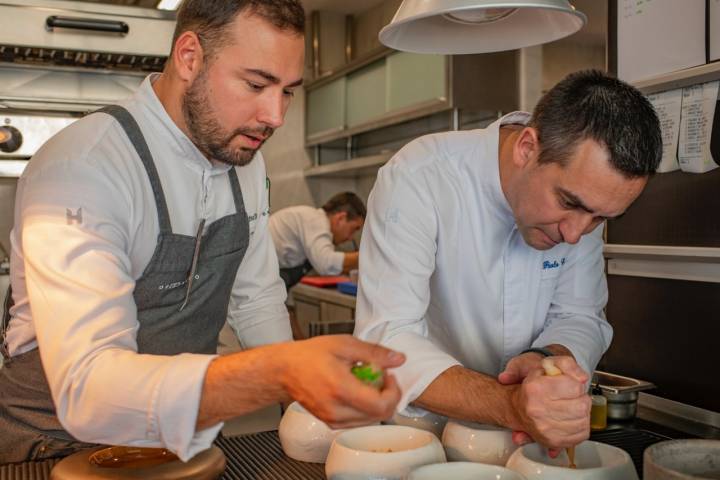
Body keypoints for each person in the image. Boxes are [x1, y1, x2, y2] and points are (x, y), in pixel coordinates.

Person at [0, 0, 404, 465]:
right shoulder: (86, 165)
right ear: (189, 57)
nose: (276, 116)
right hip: (47, 449)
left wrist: (308, 406)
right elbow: (87, 388)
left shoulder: (242, 161)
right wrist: (281, 373)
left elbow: (256, 299)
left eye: (288, 91)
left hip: (172, 448)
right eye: (256, 84)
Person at [354, 70, 662, 452]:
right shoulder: (420, 177)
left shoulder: (581, 207)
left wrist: (546, 359)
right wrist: (511, 405)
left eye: (599, 218)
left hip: (524, 442)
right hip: (416, 436)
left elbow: (579, 316)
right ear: (527, 148)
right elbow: (386, 339)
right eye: (569, 203)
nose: (574, 234)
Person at [269, 192, 365, 289]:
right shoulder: (316, 221)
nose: (351, 238)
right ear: (341, 218)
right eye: (354, 229)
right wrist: (366, 256)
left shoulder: (311, 218)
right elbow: (326, 263)